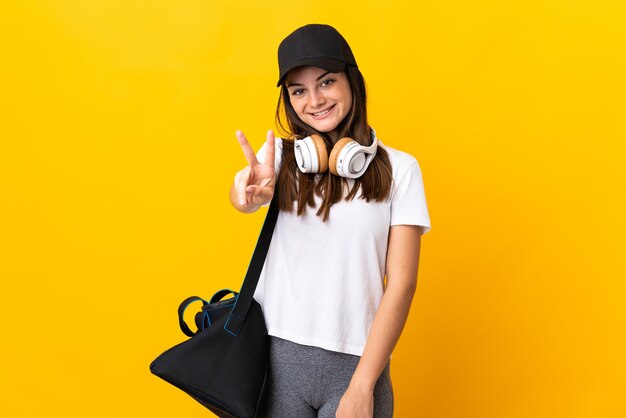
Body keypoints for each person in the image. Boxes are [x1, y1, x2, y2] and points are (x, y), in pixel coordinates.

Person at [229, 24, 431, 418]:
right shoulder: (282, 161)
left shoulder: (402, 170)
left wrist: (361, 386)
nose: (314, 100)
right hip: (275, 365)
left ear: (351, 82)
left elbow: (402, 284)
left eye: (326, 82)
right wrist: (244, 195)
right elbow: (247, 199)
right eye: (298, 90)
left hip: (356, 370)